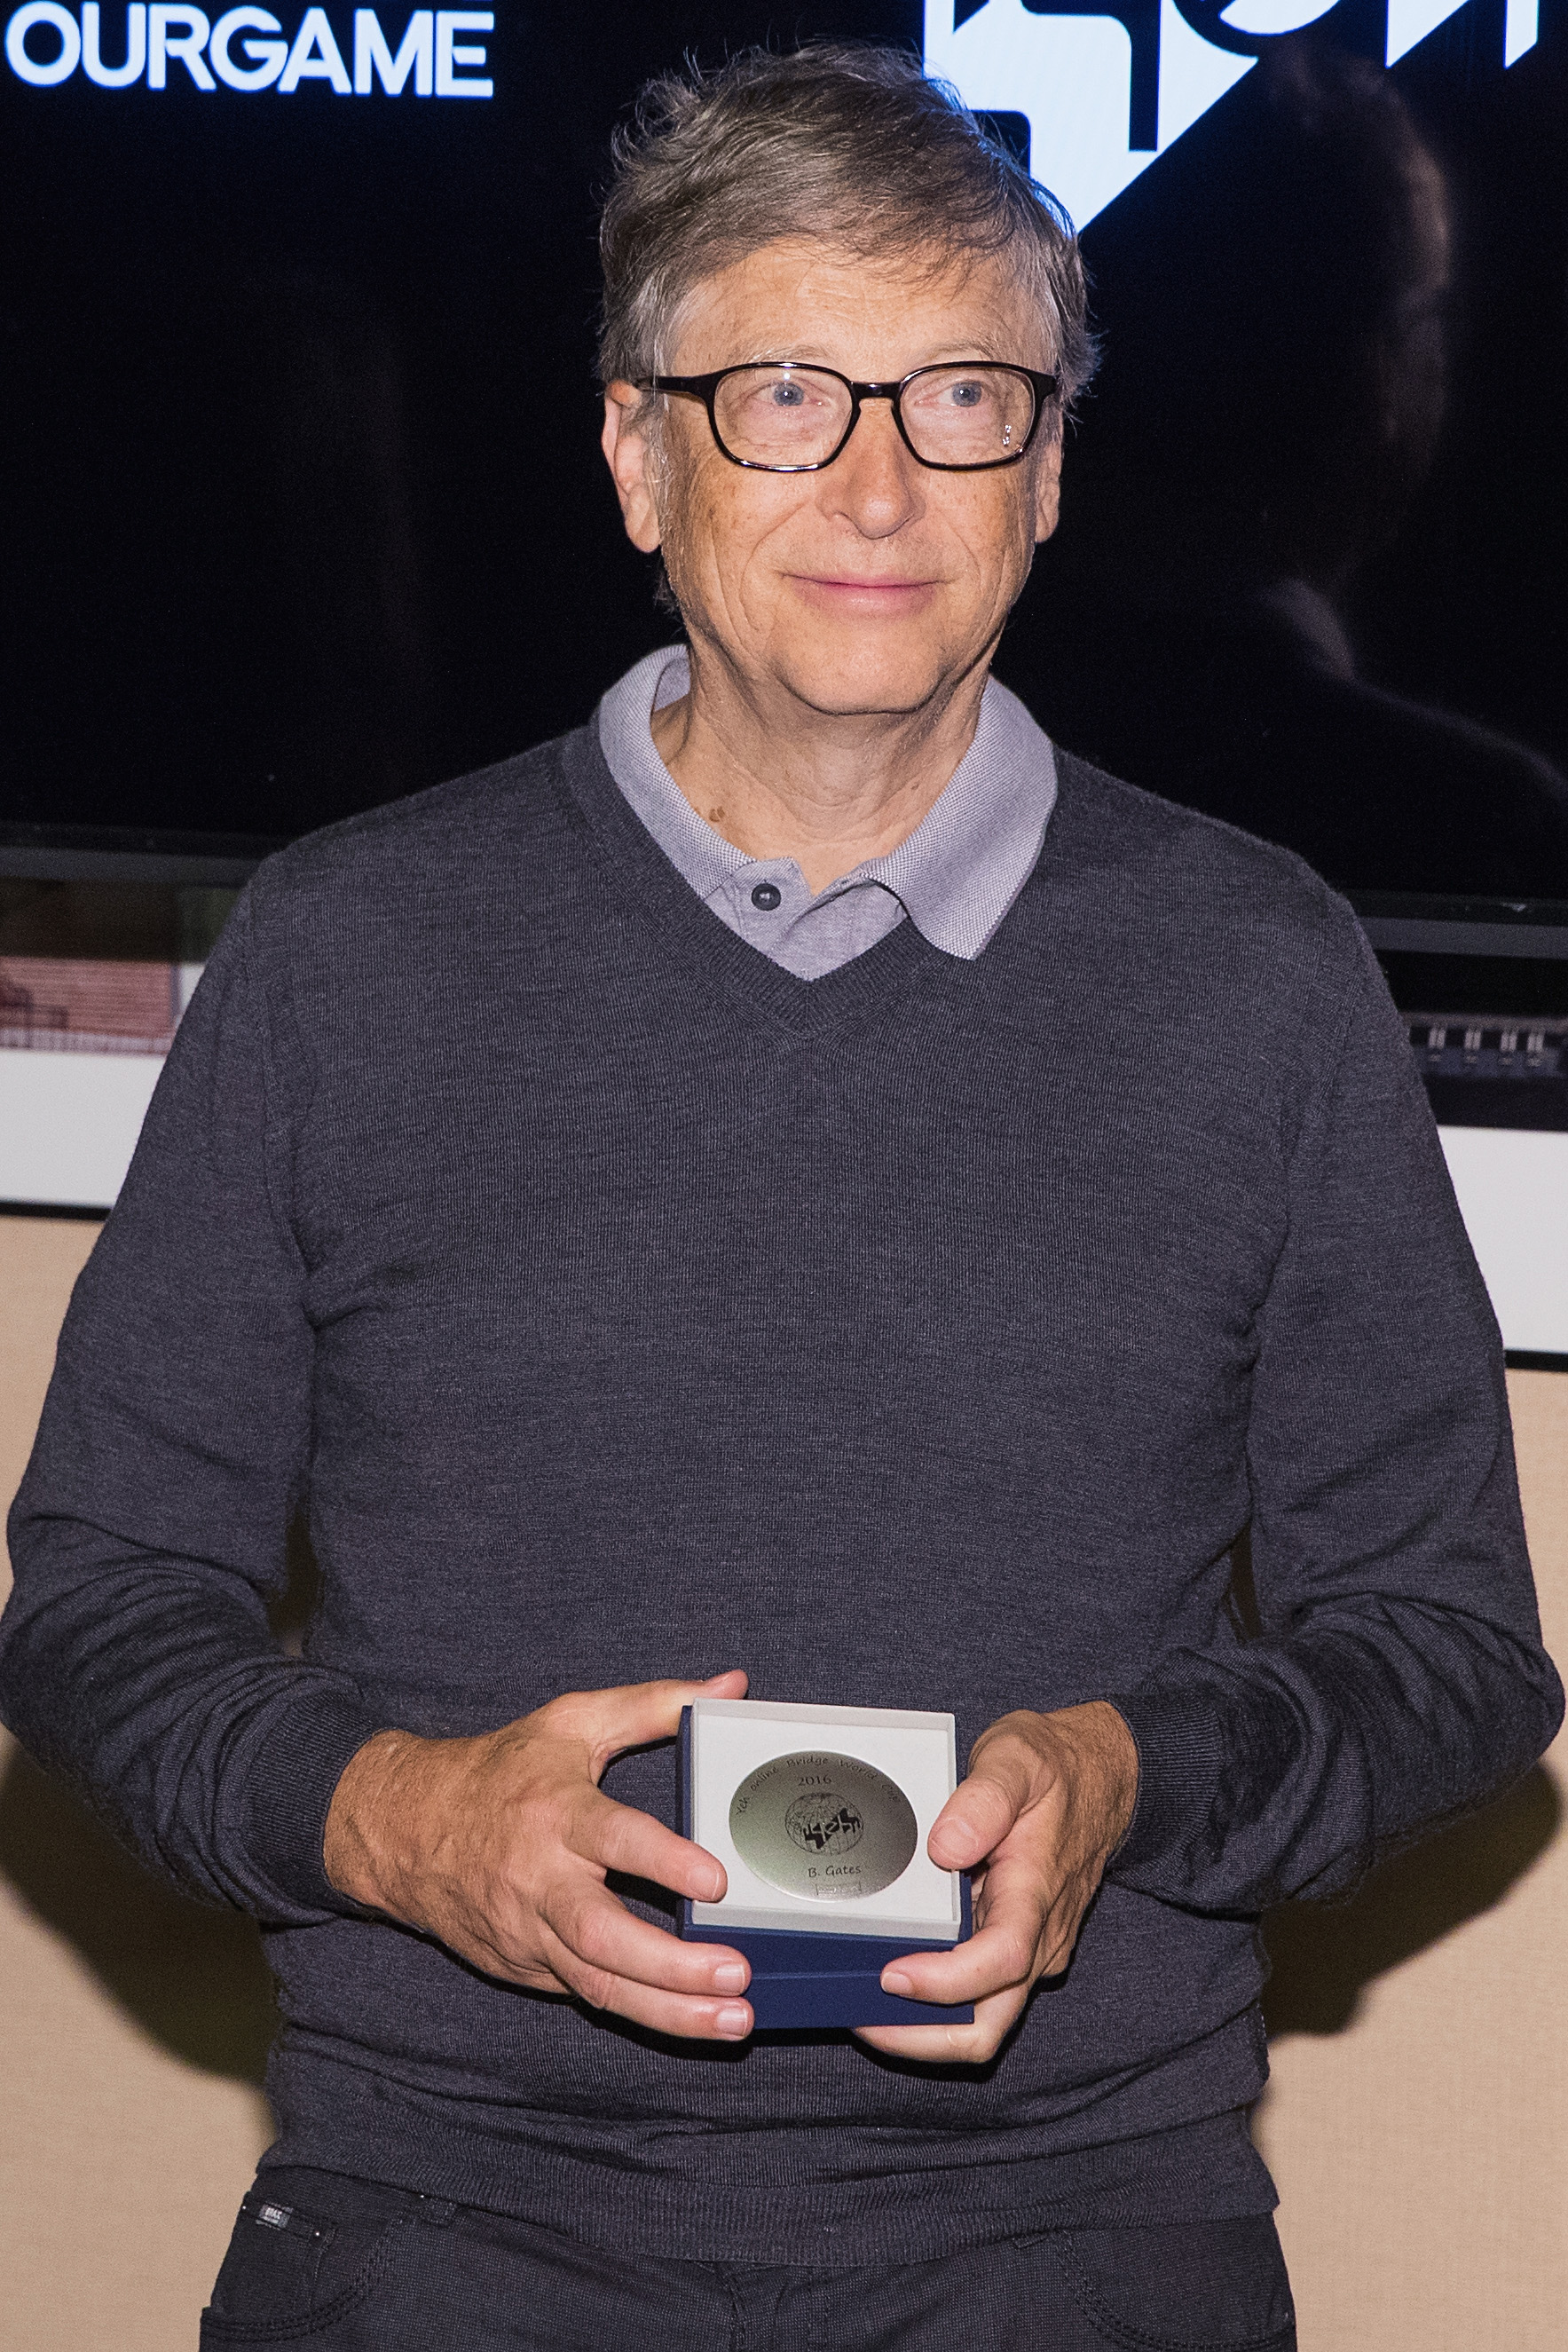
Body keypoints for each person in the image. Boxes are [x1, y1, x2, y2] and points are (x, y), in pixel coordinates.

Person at [1, 43, 1560, 2351]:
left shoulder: (1255, 976)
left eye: (959, 400)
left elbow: (1448, 1657)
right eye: (779, 398)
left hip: (1075, 2239)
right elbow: (99, 1602)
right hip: (447, 2236)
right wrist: (394, 1818)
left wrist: (1126, 1767)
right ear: (634, 456)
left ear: (1044, 475)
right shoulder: (347, 955)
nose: (874, 481)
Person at [999, 41, 1568, 896]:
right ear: (1366, 382)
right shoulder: (1482, 822)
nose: (1443, 363)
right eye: (1422, 319)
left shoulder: (912, 779)